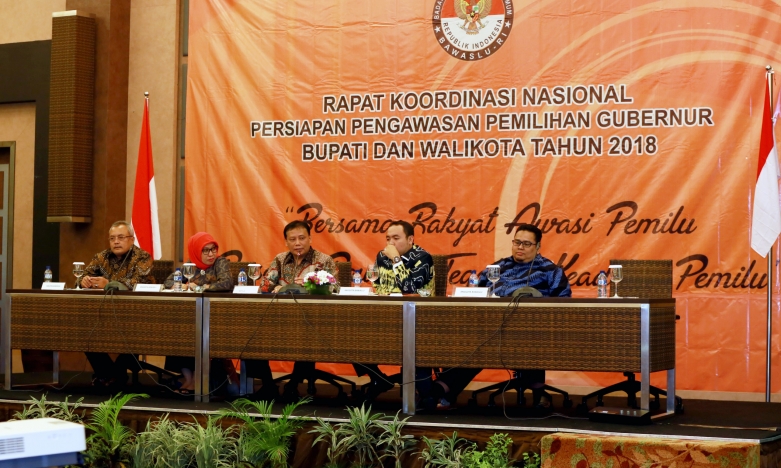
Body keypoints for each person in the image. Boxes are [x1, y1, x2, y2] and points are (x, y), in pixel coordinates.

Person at [426, 223, 572, 409]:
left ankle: (538, 393)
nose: (520, 247)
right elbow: (476, 294)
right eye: (517, 242)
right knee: (470, 338)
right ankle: (442, 390)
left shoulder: (551, 271)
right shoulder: (496, 268)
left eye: (526, 244)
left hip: (533, 330)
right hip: (492, 327)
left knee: (520, 335)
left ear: (537, 247)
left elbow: (563, 304)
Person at [247, 220, 339, 400]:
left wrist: (311, 284)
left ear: (310, 239)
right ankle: (268, 384)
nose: (297, 243)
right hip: (279, 318)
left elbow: (336, 289)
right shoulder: (280, 259)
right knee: (250, 333)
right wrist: (273, 287)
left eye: (302, 238)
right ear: (286, 242)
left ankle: (293, 384)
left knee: (308, 335)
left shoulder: (323, 261)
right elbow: (264, 286)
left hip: (312, 320)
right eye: (292, 239)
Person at [356, 220, 436, 400]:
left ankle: (425, 394)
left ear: (410, 239)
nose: (390, 243)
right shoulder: (381, 256)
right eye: (388, 238)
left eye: (396, 238)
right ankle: (378, 378)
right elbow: (378, 286)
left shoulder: (423, 258)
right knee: (352, 332)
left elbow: (410, 290)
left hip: (418, 321)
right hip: (387, 316)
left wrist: (396, 260)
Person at [76, 220, 156, 390]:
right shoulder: (102, 257)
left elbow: (138, 281)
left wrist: (108, 283)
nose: (116, 242)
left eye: (121, 237)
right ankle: (110, 374)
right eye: (112, 238)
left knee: (133, 331)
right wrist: (84, 280)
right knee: (86, 330)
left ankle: (113, 375)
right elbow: (83, 275)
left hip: (137, 313)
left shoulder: (143, 257)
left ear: (131, 239)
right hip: (106, 313)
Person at [163, 232, 233, 394]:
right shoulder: (190, 265)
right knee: (178, 331)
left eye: (213, 249)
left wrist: (201, 287)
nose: (211, 254)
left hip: (214, 317)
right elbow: (168, 282)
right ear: (196, 252)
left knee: (196, 332)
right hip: (191, 315)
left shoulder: (220, 262)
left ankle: (197, 380)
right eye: (205, 250)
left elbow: (227, 283)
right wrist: (181, 285)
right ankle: (188, 379)